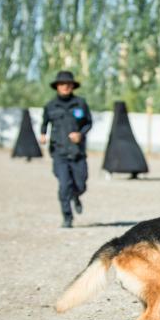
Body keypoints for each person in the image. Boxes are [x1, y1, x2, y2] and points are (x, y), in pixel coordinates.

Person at [40, 71, 92, 228]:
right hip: (59, 152)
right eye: (62, 84)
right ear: (57, 86)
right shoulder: (50, 106)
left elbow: (88, 123)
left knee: (81, 184)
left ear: (72, 86)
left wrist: (80, 134)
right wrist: (42, 134)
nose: (65, 86)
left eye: (68, 84)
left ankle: (76, 196)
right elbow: (44, 123)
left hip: (77, 152)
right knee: (64, 185)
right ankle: (67, 217)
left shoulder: (80, 103)